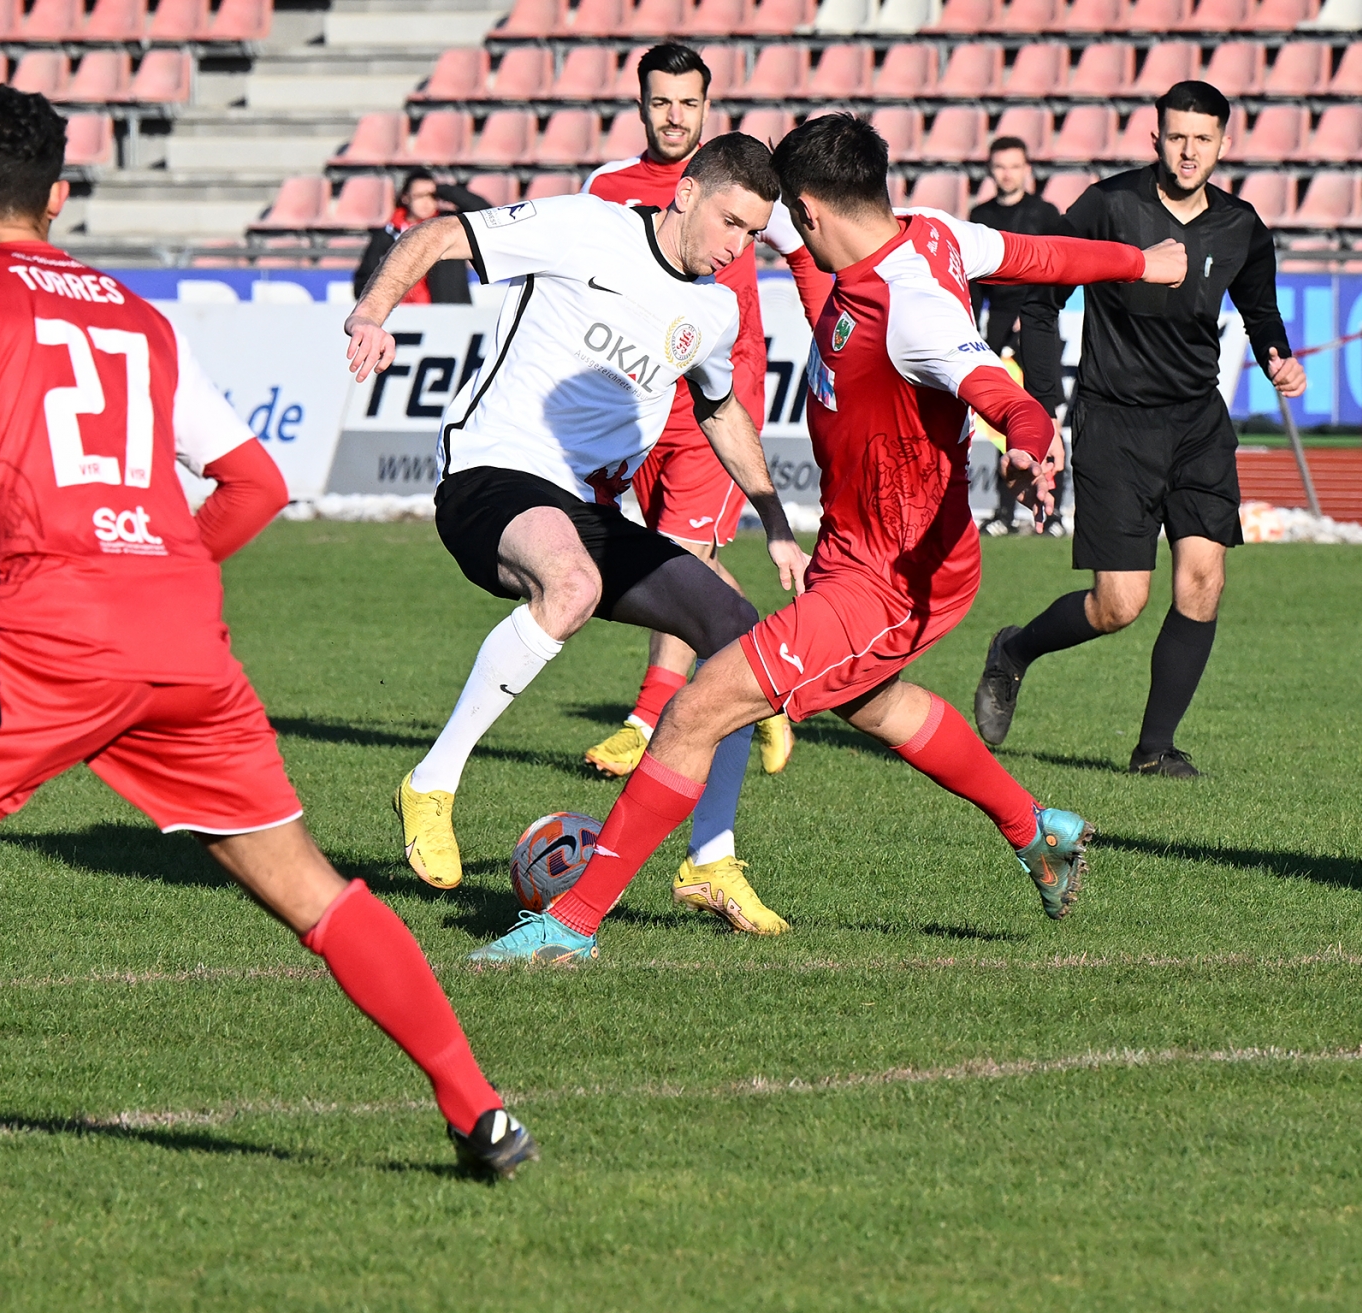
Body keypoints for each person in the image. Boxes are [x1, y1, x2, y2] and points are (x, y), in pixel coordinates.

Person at [0, 87, 535, 1209]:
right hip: (180, 632)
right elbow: (255, 483)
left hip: (50, 628)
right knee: (308, 886)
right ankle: (479, 1105)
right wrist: (160, 571)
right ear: (60, 196)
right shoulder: (138, 315)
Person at [465, 113, 1186, 966]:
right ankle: (1036, 829)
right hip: (855, 553)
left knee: (697, 710)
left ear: (808, 212)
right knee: (873, 702)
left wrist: (1030, 439)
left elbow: (994, 386)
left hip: (894, 579)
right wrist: (1141, 262)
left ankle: (571, 925)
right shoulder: (934, 233)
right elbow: (1036, 255)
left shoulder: (911, 307)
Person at [348, 134, 811, 937]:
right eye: (731, 222)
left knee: (742, 638)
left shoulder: (714, 309)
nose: (739, 247)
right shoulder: (585, 226)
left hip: (591, 513)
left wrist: (774, 519)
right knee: (572, 585)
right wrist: (372, 311)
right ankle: (432, 781)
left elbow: (720, 410)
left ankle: (710, 859)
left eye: (753, 234)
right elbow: (441, 233)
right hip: (492, 473)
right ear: (687, 194)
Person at [973, 80, 1307, 778]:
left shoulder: (1241, 225)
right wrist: (1043, 406)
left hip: (1198, 423)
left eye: (1202, 139)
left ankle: (1155, 749)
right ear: (1155, 137)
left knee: (1204, 580)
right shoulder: (1107, 206)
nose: (1188, 151)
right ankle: (1014, 650)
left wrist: (1278, 355)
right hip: (1114, 423)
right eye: (1177, 136)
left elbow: (1260, 310)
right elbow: (1041, 300)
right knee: (1119, 604)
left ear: (1223, 144)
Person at [579, 43, 796, 785]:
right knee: (678, 557)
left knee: (677, 557)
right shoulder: (607, 187)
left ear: (707, 106)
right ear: (641, 105)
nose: (675, 116)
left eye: (689, 103)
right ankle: (771, 675)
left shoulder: (742, 184)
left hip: (720, 397)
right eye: (661, 102)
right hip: (639, 395)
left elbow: (808, 252)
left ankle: (645, 721)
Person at [968, 136, 1072, 537]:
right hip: (995, 330)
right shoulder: (980, 215)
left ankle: (1054, 512)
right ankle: (1004, 512)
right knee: (1002, 423)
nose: (1007, 174)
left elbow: (1056, 270)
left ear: (1027, 169)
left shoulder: (1045, 214)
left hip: (1039, 324)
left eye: (1014, 166)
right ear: (991, 170)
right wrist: (973, 329)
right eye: (1000, 166)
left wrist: (1031, 313)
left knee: (1048, 415)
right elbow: (973, 281)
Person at [354, 171, 490, 305]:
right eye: (419, 196)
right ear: (406, 197)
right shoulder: (387, 233)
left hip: (447, 312)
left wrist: (445, 190)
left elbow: (485, 214)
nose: (426, 202)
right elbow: (363, 280)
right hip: (400, 314)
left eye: (432, 196)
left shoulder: (450, 226)